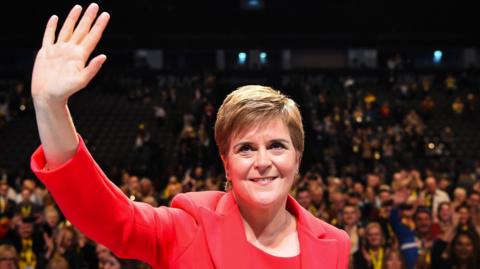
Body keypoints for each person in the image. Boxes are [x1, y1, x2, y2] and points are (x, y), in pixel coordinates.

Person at [29, 3, 350, 269]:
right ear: (227, 165)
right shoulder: (189, 227)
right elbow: (109, 216)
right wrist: (50, 107)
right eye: (246, 149)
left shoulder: (334, 245)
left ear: (297, 159)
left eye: (277, 146)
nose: (262, 161)